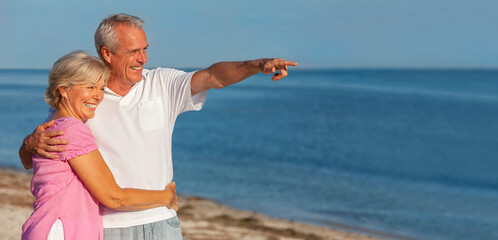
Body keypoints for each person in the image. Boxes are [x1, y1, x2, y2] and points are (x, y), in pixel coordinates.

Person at [19, 13, 298, 240]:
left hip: (161, 223)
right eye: (133, 51)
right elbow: (41, 157)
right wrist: (28, 144)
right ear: (107, 53)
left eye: (145, 50)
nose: (143, 59)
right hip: (107, 227)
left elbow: (213, 76)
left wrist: (256, 65)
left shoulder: (161, 83)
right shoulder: (87, 98)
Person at [21, 51, 179, 240]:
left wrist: (27, 144)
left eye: (101, 88)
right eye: (90, 87)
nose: (98, 96)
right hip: (61, 232)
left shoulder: (52, 123)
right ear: (63, 90)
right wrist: (166, 197)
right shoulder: (72, 130)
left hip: (46, 228)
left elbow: (27, 162)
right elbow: (114, 197)